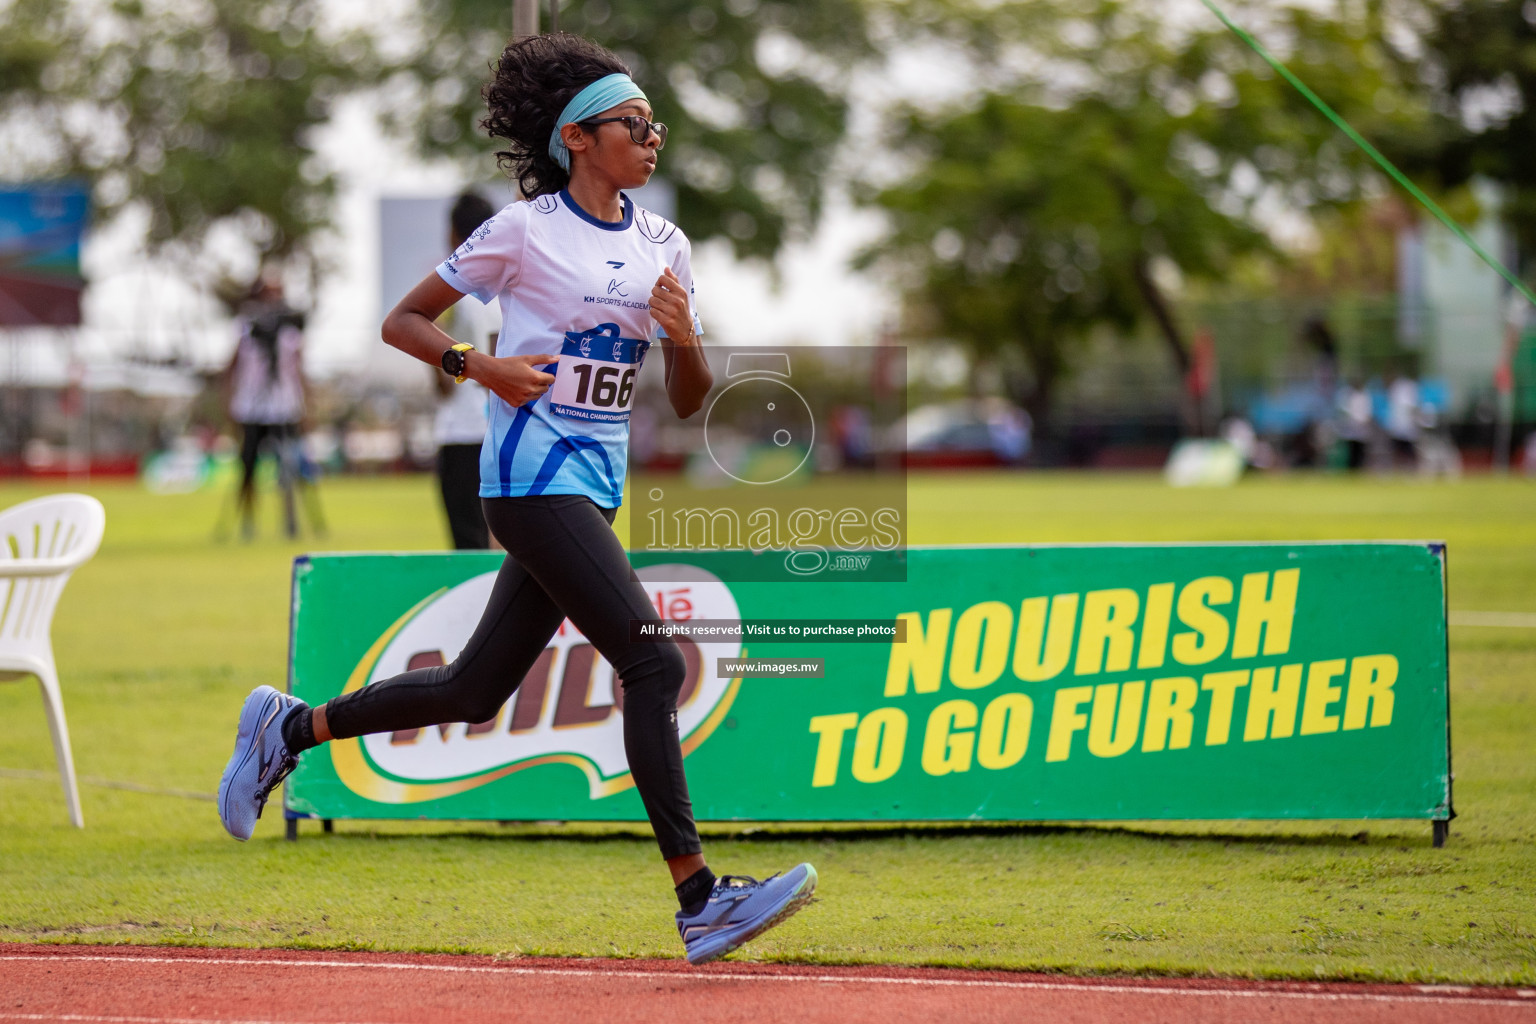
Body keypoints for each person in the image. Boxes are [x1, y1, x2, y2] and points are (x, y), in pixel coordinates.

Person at [216, 33, 816, 966]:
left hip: (596, 488)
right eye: (635, 123)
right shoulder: (524, 230)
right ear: (580, 137)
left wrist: (686, 334)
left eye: (656, 124)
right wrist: (480, 364)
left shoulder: (666, 244)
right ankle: (699, 899)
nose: (654, 138)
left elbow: (693, 400)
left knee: (476, 685)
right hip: (533, 483)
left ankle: (289, 727)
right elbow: (403, 321)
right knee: (654, 667)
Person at [433, 192, 499, 549]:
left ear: (454, 233)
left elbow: (443, 378)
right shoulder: (507, 285)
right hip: (498, 427)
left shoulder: (454, 290)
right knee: (496, 539)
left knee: (467, 542)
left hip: (462, 429)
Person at [224, 276, 308, 539]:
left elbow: (299, 368)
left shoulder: (289, 329)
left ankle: (290, 522)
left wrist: (307, 405)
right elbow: (232, 365)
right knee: (248, 469)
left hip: (284, 406)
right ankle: (248, 522)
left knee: (288, 467)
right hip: (251, 408)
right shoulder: (246, 328)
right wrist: (228, 401)